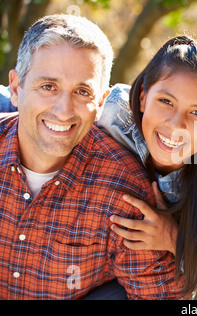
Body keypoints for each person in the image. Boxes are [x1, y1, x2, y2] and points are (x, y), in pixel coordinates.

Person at [0, 14, 182, 299]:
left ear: (100, 102)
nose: (63, 110)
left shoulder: (123, 191)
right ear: (15, 87)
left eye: (82, 92)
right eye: (48, 86)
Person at [96, 35, 197, 300]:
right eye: (165, 101)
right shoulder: (113, 112)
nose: (176, 125)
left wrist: (172, 236)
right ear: (142, 98)